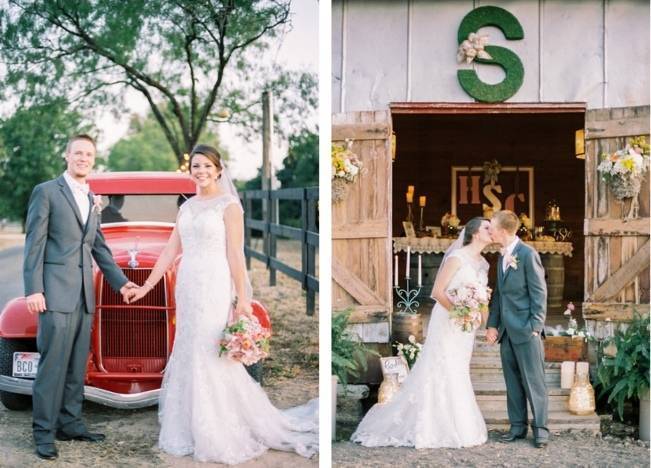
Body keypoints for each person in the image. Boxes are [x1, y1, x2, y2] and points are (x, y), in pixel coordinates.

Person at [126, 144, 318, 464]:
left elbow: (235, 254)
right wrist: (146, 286)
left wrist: (243, 298)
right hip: (187, 285)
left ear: (218, 170)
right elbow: (170, 252)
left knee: (210, 350)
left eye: (206, 166)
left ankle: (217, 428)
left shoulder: (229, 206)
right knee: (188, 348)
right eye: (195, 166)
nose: (200, 172)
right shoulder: (186, 208)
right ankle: (187, 427)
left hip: (214, 284)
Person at [23, 134, 136, 460]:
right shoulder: (46, 192)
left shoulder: (91, 198)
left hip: (85, 295)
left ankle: (69, 424)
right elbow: (35, 244)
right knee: (52, 367)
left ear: (93, 159)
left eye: (89, 154)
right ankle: (43, 433)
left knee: (75, 367)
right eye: (78, 153)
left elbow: (98, 246)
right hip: (55, 294)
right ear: (67, 155)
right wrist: (34, 289)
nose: (83, 158)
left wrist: (122, 283)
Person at [351, 217, 492, 448]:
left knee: (458, 369)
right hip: (448, 320)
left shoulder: (483, 263)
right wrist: (460, 312)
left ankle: (459, 423)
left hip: (466, 328)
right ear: (475, 233)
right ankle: (430, 425)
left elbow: (482, 297)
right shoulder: (457, 258)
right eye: (487, 228)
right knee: (440, 366)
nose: (491, 231)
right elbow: (437, 292)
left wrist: (484, 322)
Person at [486, 210, 549, 448]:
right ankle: (517, 427)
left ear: (502, 230)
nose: (489, 231)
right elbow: (499, 297)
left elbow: (539, 292)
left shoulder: (527, 254)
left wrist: (535, 325)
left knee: (534, 382)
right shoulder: (502, 257)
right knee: (512, 383)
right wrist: (492, 325)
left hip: (526, 330)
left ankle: (541, 429)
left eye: (491, 227)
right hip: (506, 333)